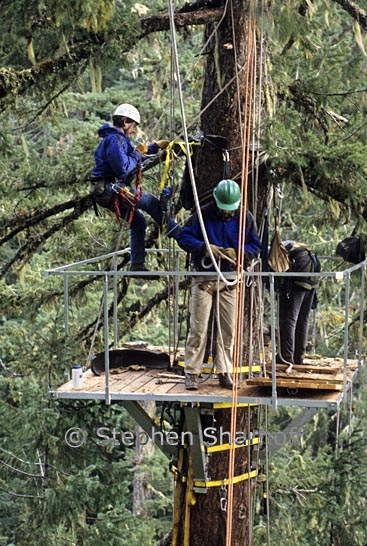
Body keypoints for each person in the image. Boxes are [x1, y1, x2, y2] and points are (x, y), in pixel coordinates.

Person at [177, 179, 261, 390]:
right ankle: (192, 373)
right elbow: (183, 237)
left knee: (228, 330)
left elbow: (256, 245)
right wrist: (204, 247)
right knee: (198, 328)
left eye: (229, 210)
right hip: (204, 279)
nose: (226, 214)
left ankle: (225, 371)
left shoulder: (245, 218)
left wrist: (240, 252)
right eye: (223, 210)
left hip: (229, 280)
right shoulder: (203, 214)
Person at [90, 103, 180, 273]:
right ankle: (179, 235)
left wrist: (154, 148)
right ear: (125, 122)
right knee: (151, 203)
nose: (133, 131)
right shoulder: (114, 140)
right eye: (133, 127)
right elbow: (124, 168)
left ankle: (136, 264)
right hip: (111, 189)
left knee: (139, 221)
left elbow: (136, 159)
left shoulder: (120, 140)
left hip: (108, 190)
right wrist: (138, 153)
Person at [276, 241, 321, 369]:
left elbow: (278, 267)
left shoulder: (276, 250)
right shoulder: (293, 246)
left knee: (290, 318)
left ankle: (286, 356)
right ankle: (299, 356)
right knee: (303, 318)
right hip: (314, 265)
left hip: (302, 267)